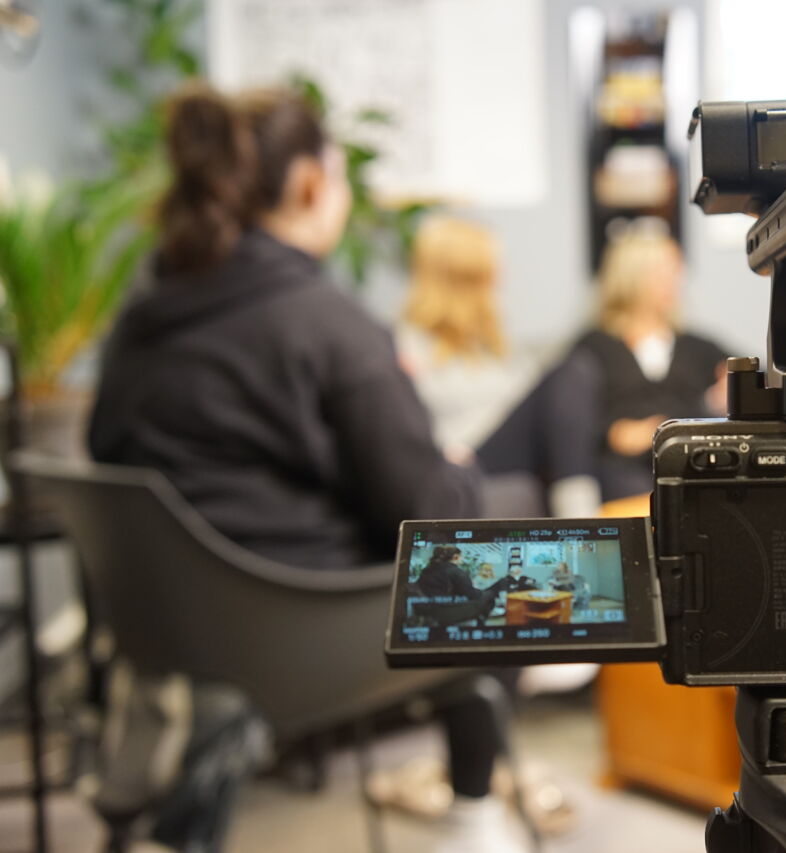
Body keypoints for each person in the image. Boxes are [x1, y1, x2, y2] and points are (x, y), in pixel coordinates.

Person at [88, 82, 523, 853]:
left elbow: (103, 443)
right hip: (295, 635)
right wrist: (454, 469)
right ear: (312, 183)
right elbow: (432, 515)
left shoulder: (139, 317)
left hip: (169, 630)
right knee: (500, 545)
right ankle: (473, 817)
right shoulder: (329, 325)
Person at [566, 229, 728, 501]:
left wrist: (656, 428)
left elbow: (754, 378)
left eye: (677, 270)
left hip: (691, 461)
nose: (676, 279)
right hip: (622, 472)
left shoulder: (699, 347)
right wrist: (623, 435)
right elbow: (583, 427)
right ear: (632, 276)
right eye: (663, 271)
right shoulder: (593, 346)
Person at [398, 216, 539, 453]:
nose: (502, 277)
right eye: (493, 268)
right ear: (469, 276)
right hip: (460, 458)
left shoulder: (493, 343)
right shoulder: (409, 345)